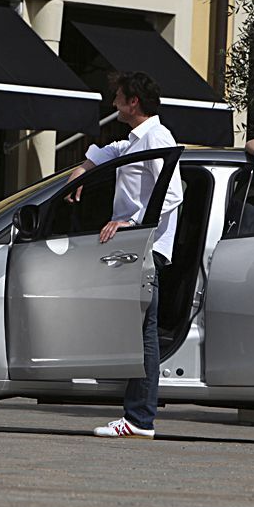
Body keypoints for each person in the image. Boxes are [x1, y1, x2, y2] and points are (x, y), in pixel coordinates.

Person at [67, 71, 183, 439]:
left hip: (146, 247)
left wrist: (131, 223)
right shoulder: (136, 140)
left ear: (134, 102)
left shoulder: (157, 137)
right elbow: (110, 154)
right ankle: (138, 417)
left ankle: (139, 418)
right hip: (139, 246)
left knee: (143, 333)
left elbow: (173, 192)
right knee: (138, 331)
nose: (113, 102)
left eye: (118, 97)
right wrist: (80, 172)